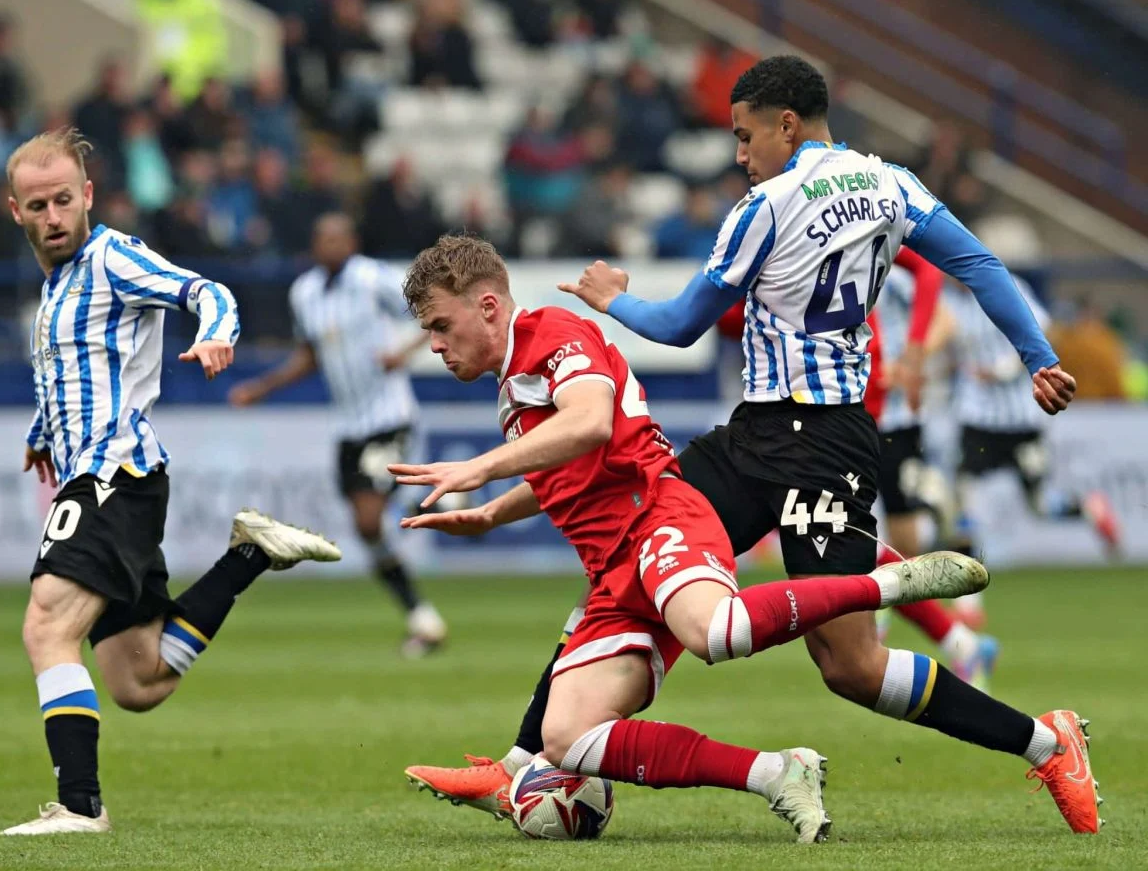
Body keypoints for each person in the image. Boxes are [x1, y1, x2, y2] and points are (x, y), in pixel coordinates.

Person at [404, 56, 1102, 836]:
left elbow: (677, 325)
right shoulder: (894, 184)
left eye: (744, 136)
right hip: (762, 436)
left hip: (820, 451)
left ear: (786, 125)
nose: (739, 155)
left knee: (851, 668)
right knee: (631, 557)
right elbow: (978, 263)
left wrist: (612, 299)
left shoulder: (765, 205)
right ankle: (520, 760)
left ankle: (1045, 742)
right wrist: (1038, 358)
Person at [392, 234, 986, 842]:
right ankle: (778, 774)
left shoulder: (550, 332)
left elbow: (591, 420)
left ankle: (880, 584)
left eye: (441, 325)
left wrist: (483, 466)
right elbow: (564, 466)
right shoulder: (514, 377)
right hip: (615, 568)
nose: (434, 344)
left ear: (488, 306)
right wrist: (491, 513)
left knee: (714, 632)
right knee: (565, 736)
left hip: (658, 518)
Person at [3, 128, 341, 835]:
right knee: (138, 681)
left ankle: (79, 806)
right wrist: (42, 434)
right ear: (17, 211)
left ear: (87, 195)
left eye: (65, 199)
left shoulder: (109, 257)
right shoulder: (55, 288)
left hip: (112, 473)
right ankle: (249, 555)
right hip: (105, 475)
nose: (54, 216)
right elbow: (72, 374)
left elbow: (202, 289)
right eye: (39, 205)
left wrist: (218, 329)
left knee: (46, 624)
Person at [228, 213, 447, 656]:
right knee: (366, 530)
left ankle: (443, 497)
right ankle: (421, 615)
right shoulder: (304, 292)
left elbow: (434, 310)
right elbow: (310, 356)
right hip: (348, 426)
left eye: (338, 237)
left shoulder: (372, 278)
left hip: (389, 415)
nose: (330, 245)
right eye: (323, 238)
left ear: (351, 241)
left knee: (370, 517)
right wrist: (262, 388)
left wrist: (403, 352)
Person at [939, 277, 1122, 622]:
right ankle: (968, 603)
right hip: (976, 419)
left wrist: (1005, 369)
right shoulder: (947, 300)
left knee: (1040, 504)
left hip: (1020, 421)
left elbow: (1045, 329)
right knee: (964, 502)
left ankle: (1091, 509)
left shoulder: (1004, 284)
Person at [869, 260, 1000, 691]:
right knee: (886, 546)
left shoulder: (895, 270)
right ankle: (957, 641)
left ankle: (899, 619)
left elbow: (945, 320)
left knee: (896, 546)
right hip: (851, 414)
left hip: (893, 421)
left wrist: (909, 356)